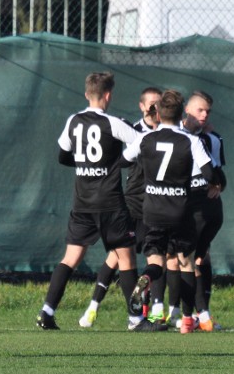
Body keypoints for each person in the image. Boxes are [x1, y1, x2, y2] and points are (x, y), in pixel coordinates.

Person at [37, 72, 161, 332]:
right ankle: (136, 319)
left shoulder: (73, 121)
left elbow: (62, 154)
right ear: (108, 95)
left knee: (70, 257)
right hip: (110, 204)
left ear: (86, 94)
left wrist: (84, 164)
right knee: (126, 258)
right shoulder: (112, 123)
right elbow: (141, 140)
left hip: (82, 203)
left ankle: (47, 311)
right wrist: (119, 161)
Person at [123, 90, 213, 334]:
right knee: (185, 261)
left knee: (156, 261)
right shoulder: (190, 141)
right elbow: (209, 173)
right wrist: (217, 184)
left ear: (158, 112)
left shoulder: (146, 139)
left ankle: (147, 279)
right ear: (181, 111)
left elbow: (125, 159)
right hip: (180, 211)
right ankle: (186, 320)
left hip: (151, 211)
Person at [78, 86, 161, 328]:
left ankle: (96, 309)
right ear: (142, 106)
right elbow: (119, 159)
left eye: (160, 105)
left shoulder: (167, 133)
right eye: (151, 104)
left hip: (153, 204)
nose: (155, 109)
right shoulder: (132, 131)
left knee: (123, 257)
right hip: (135, 204)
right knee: (133, 257)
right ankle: (144, 313)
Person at [171, 90, 226, 332]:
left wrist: (220, 184)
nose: (204, 115)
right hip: (179, 204)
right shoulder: (175, 135)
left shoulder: (212, 139)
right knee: (181, 259)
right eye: (199, 110)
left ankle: (199, 314)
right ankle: (187, 313)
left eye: (207, 111)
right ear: (186, 111)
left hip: (206, 207)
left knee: (198, 258)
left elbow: (217, 172)